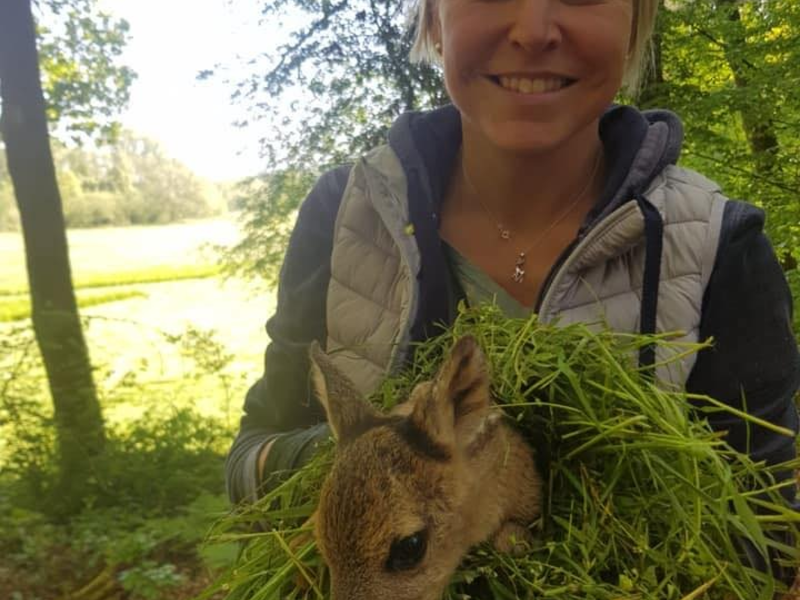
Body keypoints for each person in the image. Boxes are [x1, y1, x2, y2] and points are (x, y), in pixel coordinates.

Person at [226, 0, 799, 585]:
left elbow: (770, 528)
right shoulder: (346, 217)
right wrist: (370, 458)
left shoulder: (716, 249)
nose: (531, 31)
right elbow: (248, 467)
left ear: (636, 21)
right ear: (432, 19)